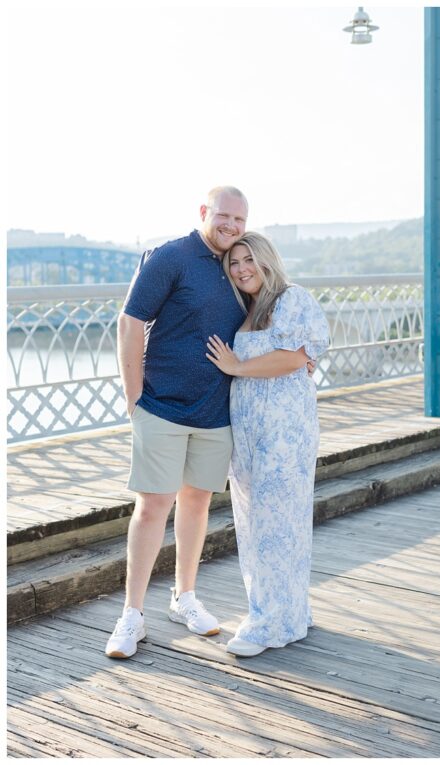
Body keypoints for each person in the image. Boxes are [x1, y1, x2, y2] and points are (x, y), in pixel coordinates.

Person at [106, 187, 249, 658]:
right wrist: (134, 399)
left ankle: (184, 598)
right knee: (152, 508)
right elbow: (129, 322)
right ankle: (132, 615)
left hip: (214, 410)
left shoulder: (239, 263)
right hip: (162, 405)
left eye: (239, 220)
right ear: (204, 212)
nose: (231, 226)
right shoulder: (172, 256)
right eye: (224, 216)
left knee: (196, 504)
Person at [205, 232, 330, 657]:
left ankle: (270, 623)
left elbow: (294, 357)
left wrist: (238, 365)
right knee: (255, 521)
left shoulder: (291, 298)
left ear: (266, 260)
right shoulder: (248, 308)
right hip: (249, 429)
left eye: (248, 260)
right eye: (234, 263)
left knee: (279, 522)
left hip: (283, 429)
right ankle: (289, 610)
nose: (241, 269)